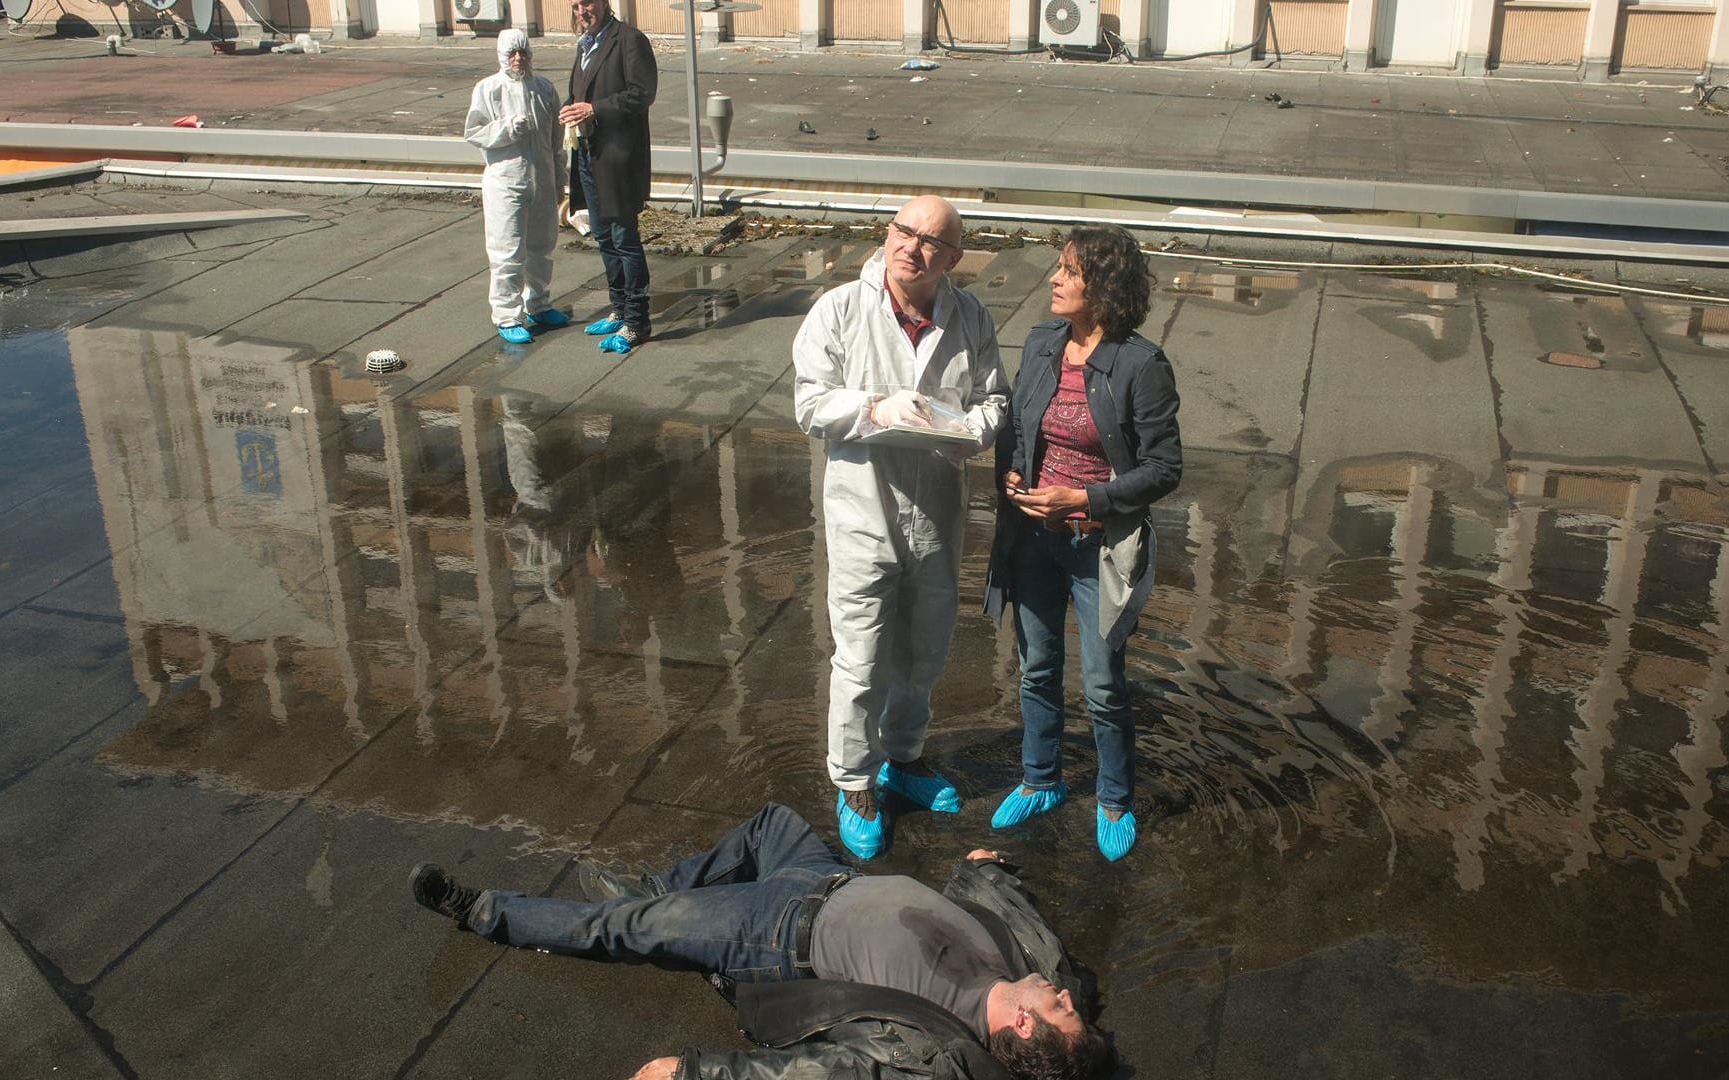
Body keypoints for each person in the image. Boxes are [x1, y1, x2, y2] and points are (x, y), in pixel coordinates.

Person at [408, 802, 1117, 1080]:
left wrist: (693, 1074)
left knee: (617, 930)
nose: (1060, 994)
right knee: (770, 824)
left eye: (1060, 1010)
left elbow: (829, 1076)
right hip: (824, 875)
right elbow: (1034, 936)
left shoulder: (930, 1053)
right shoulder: (1027, 972)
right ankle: (664, 895)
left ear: (1023, 1024)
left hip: (773, 935)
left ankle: (479, 911)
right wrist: (988, 876)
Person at [792, 196, 1008, 859]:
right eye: (903, 232)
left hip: (938, 510)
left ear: (954, 258)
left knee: (925, 647)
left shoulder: (968, 316)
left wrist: (970, 431)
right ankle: (855, 781)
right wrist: (877, 407)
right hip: (864, 509)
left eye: (932, 241)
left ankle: (906, 760)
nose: (913, 247)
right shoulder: (840, 310)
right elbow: (809, 404)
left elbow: (994, 399)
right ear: (887, 235)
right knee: (860, 658)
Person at [982, 227, 1182, 863]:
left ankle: (1114, 797)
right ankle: (1040, 780)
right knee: (1036, 668)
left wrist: (1086, 500)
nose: (1054, 280)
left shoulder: (1140, 365)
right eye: (1058, 268)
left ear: (1104, 288)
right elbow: (1017, 424)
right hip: (1034, 540)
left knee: (1102, 686)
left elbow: (1165, 468)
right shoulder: (1043, 343)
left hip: (1097, 546)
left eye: (1069, 271)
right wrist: (1010, 472)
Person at [559, 0, 656, 355]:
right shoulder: (586, 43)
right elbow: (581, 92)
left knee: (623, 237)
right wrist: (572, 107)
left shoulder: (629, 40)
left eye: (588, 3)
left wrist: (594, 108)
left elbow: (643, 94)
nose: (582, 11)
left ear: (603, 3)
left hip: (618, 159)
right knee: (602, 234)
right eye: (575, 5)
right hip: (588, 155)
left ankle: (638, 322)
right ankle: (619, 308)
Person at [465, 29, 569, 346]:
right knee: (507, 250)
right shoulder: (489, 89)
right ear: (502, 56)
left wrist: (560, 180)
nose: (518, 59)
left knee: (541, 245)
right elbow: (474, 132)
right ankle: (507, 315)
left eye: (523, 53)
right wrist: (506, 130)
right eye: (512, 54)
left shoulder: (544, 89)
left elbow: (557, 140)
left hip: (541, 178)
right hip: (506, 183)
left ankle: (538, 303)